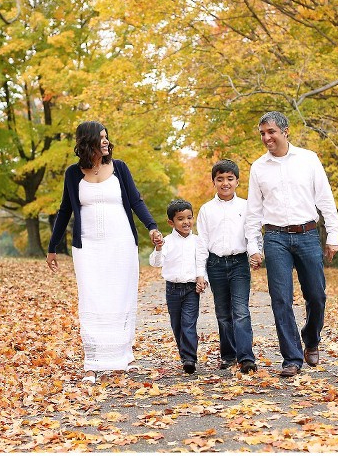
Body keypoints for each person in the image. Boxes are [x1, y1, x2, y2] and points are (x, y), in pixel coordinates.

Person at [46, 120, 162, 384]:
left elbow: (135, 201)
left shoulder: (119, 168)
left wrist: (152, 227)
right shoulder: (73, 174)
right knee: (92, 298)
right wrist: (52, 247)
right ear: (88, 142)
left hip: (121, 243)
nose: (106, 141)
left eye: (107, 137)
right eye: (101, 138)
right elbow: (65, 211)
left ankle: (124, 356)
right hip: (88, 247)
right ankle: (93, 360)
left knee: (121, 297)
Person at [245, 111, 338, 378]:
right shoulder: (258, 168)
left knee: (316, 295)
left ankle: (311, 338)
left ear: (286, 132)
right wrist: (254, 245)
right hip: (275, 238)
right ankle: (292, 357)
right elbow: (253, 212)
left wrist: (333, 234)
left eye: (271, 132)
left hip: (308, 234)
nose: (266, 138)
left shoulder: (308, 160)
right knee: (281, 299)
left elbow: (325, 199)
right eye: (262, 133)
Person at [195, 159, 257, 375]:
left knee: (241, 311)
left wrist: (254, 253)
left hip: (239, 263)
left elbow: (252, 233)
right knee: (223, 313)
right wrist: (200, 273)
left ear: (237, 181)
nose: (225, 183)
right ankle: (228, 356)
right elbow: (202, 243)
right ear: (214, 182)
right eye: (220, 179)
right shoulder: (206, 210)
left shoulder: (246, 206)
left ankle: (246, 358)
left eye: (230, 179)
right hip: (216, 264)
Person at [149, 199, 206, 375]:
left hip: (190, 288)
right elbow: (156, 263)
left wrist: (201, 279)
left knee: (189, 322)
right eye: (181, 219)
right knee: (177, 324)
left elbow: (201, 261)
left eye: (189, 217)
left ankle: (189, 358)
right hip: (172, 289)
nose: (186, 222)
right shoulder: (166, 242)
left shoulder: (197, 241)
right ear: (171, 222)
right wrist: (158, 248)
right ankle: (184, 355)